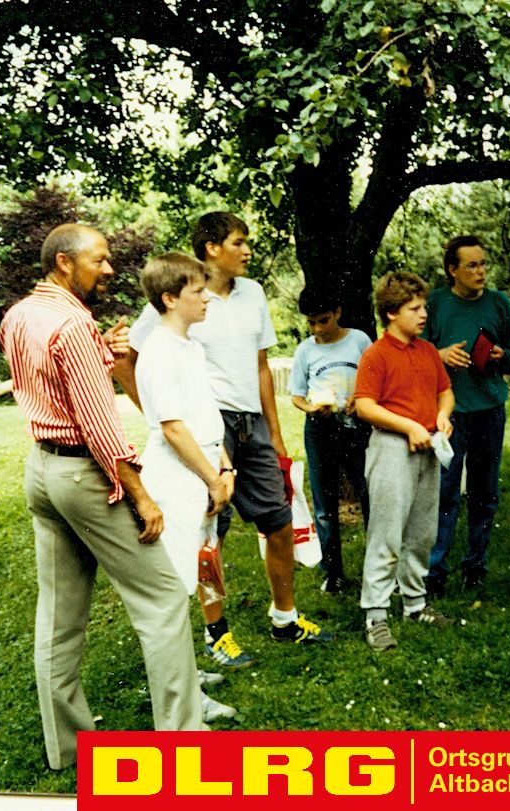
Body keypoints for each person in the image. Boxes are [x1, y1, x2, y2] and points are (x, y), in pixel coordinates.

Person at [0, 224, 206, 770]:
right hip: (84, 476)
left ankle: (65, 748)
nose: (109, 269)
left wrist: (98, 351)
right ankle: (185, 744)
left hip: (42, 471)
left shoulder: (20, 314)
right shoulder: (72, 324)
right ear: (64, 263)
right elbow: (99, 425)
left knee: (59, 614)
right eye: (100, 260)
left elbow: (43, 379)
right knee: (162, 598)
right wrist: (140, 495)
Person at [121, 212, 331, 670]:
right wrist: (163, 417)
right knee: (209, 536)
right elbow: (125, 360)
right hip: (203, 432)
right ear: (212, 247)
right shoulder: (175, 297)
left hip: (251, 425)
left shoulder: (252, 293)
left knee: (278, 519)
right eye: (238, 241)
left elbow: (261, 366)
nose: (247, 250)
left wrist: (275, 435)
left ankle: (285, 618)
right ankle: (217, 634)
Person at [133, 252, 239, 721]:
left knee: (198, 573)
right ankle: (182, 695)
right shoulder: (158, 352)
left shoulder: (190, 348)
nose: (207, 298)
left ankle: (187, 673)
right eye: (197, 291)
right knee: (174, 589)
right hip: (177, 479)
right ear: (170, 298)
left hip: (204, 470)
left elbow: (203, 418)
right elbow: (173, 428)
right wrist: (212, 478)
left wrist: (225, 467)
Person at [353, 271, 455, 651]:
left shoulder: (427, 351)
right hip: (392, 448)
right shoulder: (376, 354)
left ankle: (415, 603)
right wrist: (408, 426)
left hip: (428, 446)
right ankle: (375, 614)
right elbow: (364, 405)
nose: (424, 314)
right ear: (392, 313)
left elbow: (445, 391)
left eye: (424, 306)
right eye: (414, 308)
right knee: (387, 532)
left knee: (422, 532)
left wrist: (442, 416)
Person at [424, 236, 510, 599]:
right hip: (449, 413)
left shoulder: (498, 302)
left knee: (484, 492)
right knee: (444, 493)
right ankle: (435, 571)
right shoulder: (435, 303)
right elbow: (416, 350)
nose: (481, 272)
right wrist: (441, 355)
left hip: (489, 409)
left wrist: (500, 355)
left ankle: (475, 567)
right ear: (453, 270)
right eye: (472, 265)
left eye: (483, 264)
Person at [289, 285, 372, 594]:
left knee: (368, 495)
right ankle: (333, 571)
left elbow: (374, 377)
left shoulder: (359, 340)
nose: (317, 329)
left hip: (357, 425)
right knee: (325, 503)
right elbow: (297, 394)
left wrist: (361, 399)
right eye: (311, 323)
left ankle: (378, 567)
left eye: (323, 320)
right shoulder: (305, 350)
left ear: (337, 312)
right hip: (321, 427)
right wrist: (312, 408)